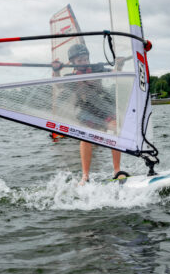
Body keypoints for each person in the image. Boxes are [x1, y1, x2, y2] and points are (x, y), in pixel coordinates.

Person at [52, 43, 126, 185]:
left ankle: (117, 170)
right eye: (80, 60)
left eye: (86, 59)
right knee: (86, 137)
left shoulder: (97, 68)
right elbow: (59, 85)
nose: (84, 62)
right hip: (85, 110)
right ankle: (85, 176)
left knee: (115, 129)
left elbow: (115, 73)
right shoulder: (70, 76)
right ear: (72, 62)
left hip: (103, 106)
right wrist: (56, 70)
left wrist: (119, 66)